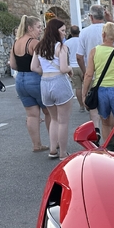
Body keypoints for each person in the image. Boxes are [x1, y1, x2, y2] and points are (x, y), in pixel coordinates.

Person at [77, 4, 114, 133]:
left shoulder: (84, 32)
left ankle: (97, 131)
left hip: (96, 79)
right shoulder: (112, 29)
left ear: (91, 17)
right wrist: (111, 19)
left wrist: (85, 73)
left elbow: (79, 56)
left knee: (99, 113)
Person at [82, 23, 114, 143]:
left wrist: (84, 94)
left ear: (103, 35)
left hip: (101, 91)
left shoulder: (94, 51)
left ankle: (107, 147)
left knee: (105, 122)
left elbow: (88, 75)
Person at [31, 19, 73, 161]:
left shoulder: (39, 47)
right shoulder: (61, 47)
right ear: (55, 31)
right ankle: (63, 152)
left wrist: (45, 71)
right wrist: (70, 69)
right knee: (63, 121)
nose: (64, 33)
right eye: (62, 30)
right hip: (59, 82)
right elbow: (63, 68)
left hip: (45, 83)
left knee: (54, 119)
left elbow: (34, 67)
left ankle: (53, 149)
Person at [10, 15, 52, 153]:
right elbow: (44, 63)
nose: (41, 30)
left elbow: (14, 65)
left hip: (20, 80)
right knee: (48, 112)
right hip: (35, 79)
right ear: (30, 28)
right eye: (38, 27)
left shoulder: (16, 43)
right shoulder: (34, 43)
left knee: (32, 115)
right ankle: (54, 142)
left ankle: (36, 144)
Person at [64, 25, 85, 112]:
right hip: (82, 65)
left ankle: (81, 106)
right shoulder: (82, 40)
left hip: (72, 67)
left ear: (71, 33)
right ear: (79, 32)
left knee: (78, 87)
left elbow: (66, 56)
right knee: (86, 87)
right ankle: (88, 104)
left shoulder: (67, 43)